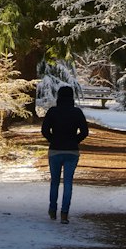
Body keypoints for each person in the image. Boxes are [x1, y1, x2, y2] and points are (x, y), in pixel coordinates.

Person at [40, 84, 89, 223]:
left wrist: (53, 139)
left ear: (59, 97)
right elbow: (85, 132)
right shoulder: (77, 112)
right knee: (68, 183)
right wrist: (75, 140)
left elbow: (44, 130)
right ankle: (64, 213)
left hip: (55, 150)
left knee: (54, 182)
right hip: (72, 152)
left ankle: (52, 210)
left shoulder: (53, 112)